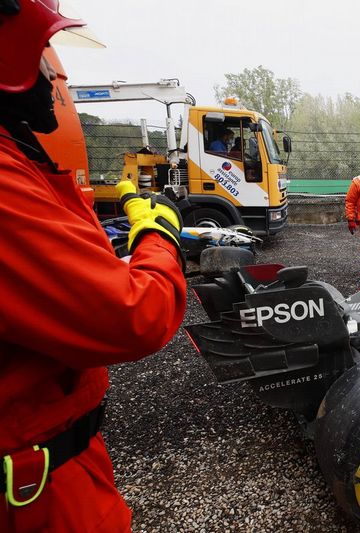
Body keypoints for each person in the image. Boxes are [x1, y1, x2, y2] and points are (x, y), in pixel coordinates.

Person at [0, 3, 187, 531]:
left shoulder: (18, 160)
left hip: (46, 462)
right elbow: (134, 313)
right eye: (43, 55)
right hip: (36, 492)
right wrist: (158, 235)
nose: (53, 75)